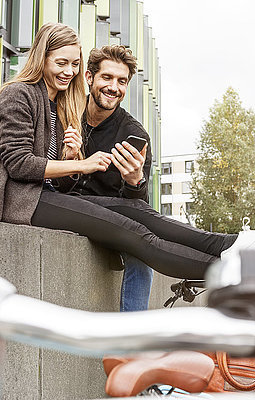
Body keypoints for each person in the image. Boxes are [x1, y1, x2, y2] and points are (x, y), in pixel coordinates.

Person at [0, 23, 255, 282]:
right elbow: (17, 165)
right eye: (61, 63)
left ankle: (233, 245)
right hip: (16, 201)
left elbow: (66, 187)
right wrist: (81, 163)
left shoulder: (62, 106)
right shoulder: (18, 95)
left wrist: (72, 161)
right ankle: (235, 274)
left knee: (139, 214)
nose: (68, 71)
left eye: (73, 63)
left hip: (43, 196)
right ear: (42, 59)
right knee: (135, 233)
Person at [73, 45, 153, 312]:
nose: (113, 87)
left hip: (107, 220)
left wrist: (134, 181)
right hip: (63, 208)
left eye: (122, 81)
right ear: (89, 77)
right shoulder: (66, 114)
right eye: (107, 78)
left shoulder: (134, 133)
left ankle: (130, 345)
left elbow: (138, 208)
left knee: (143, 252)